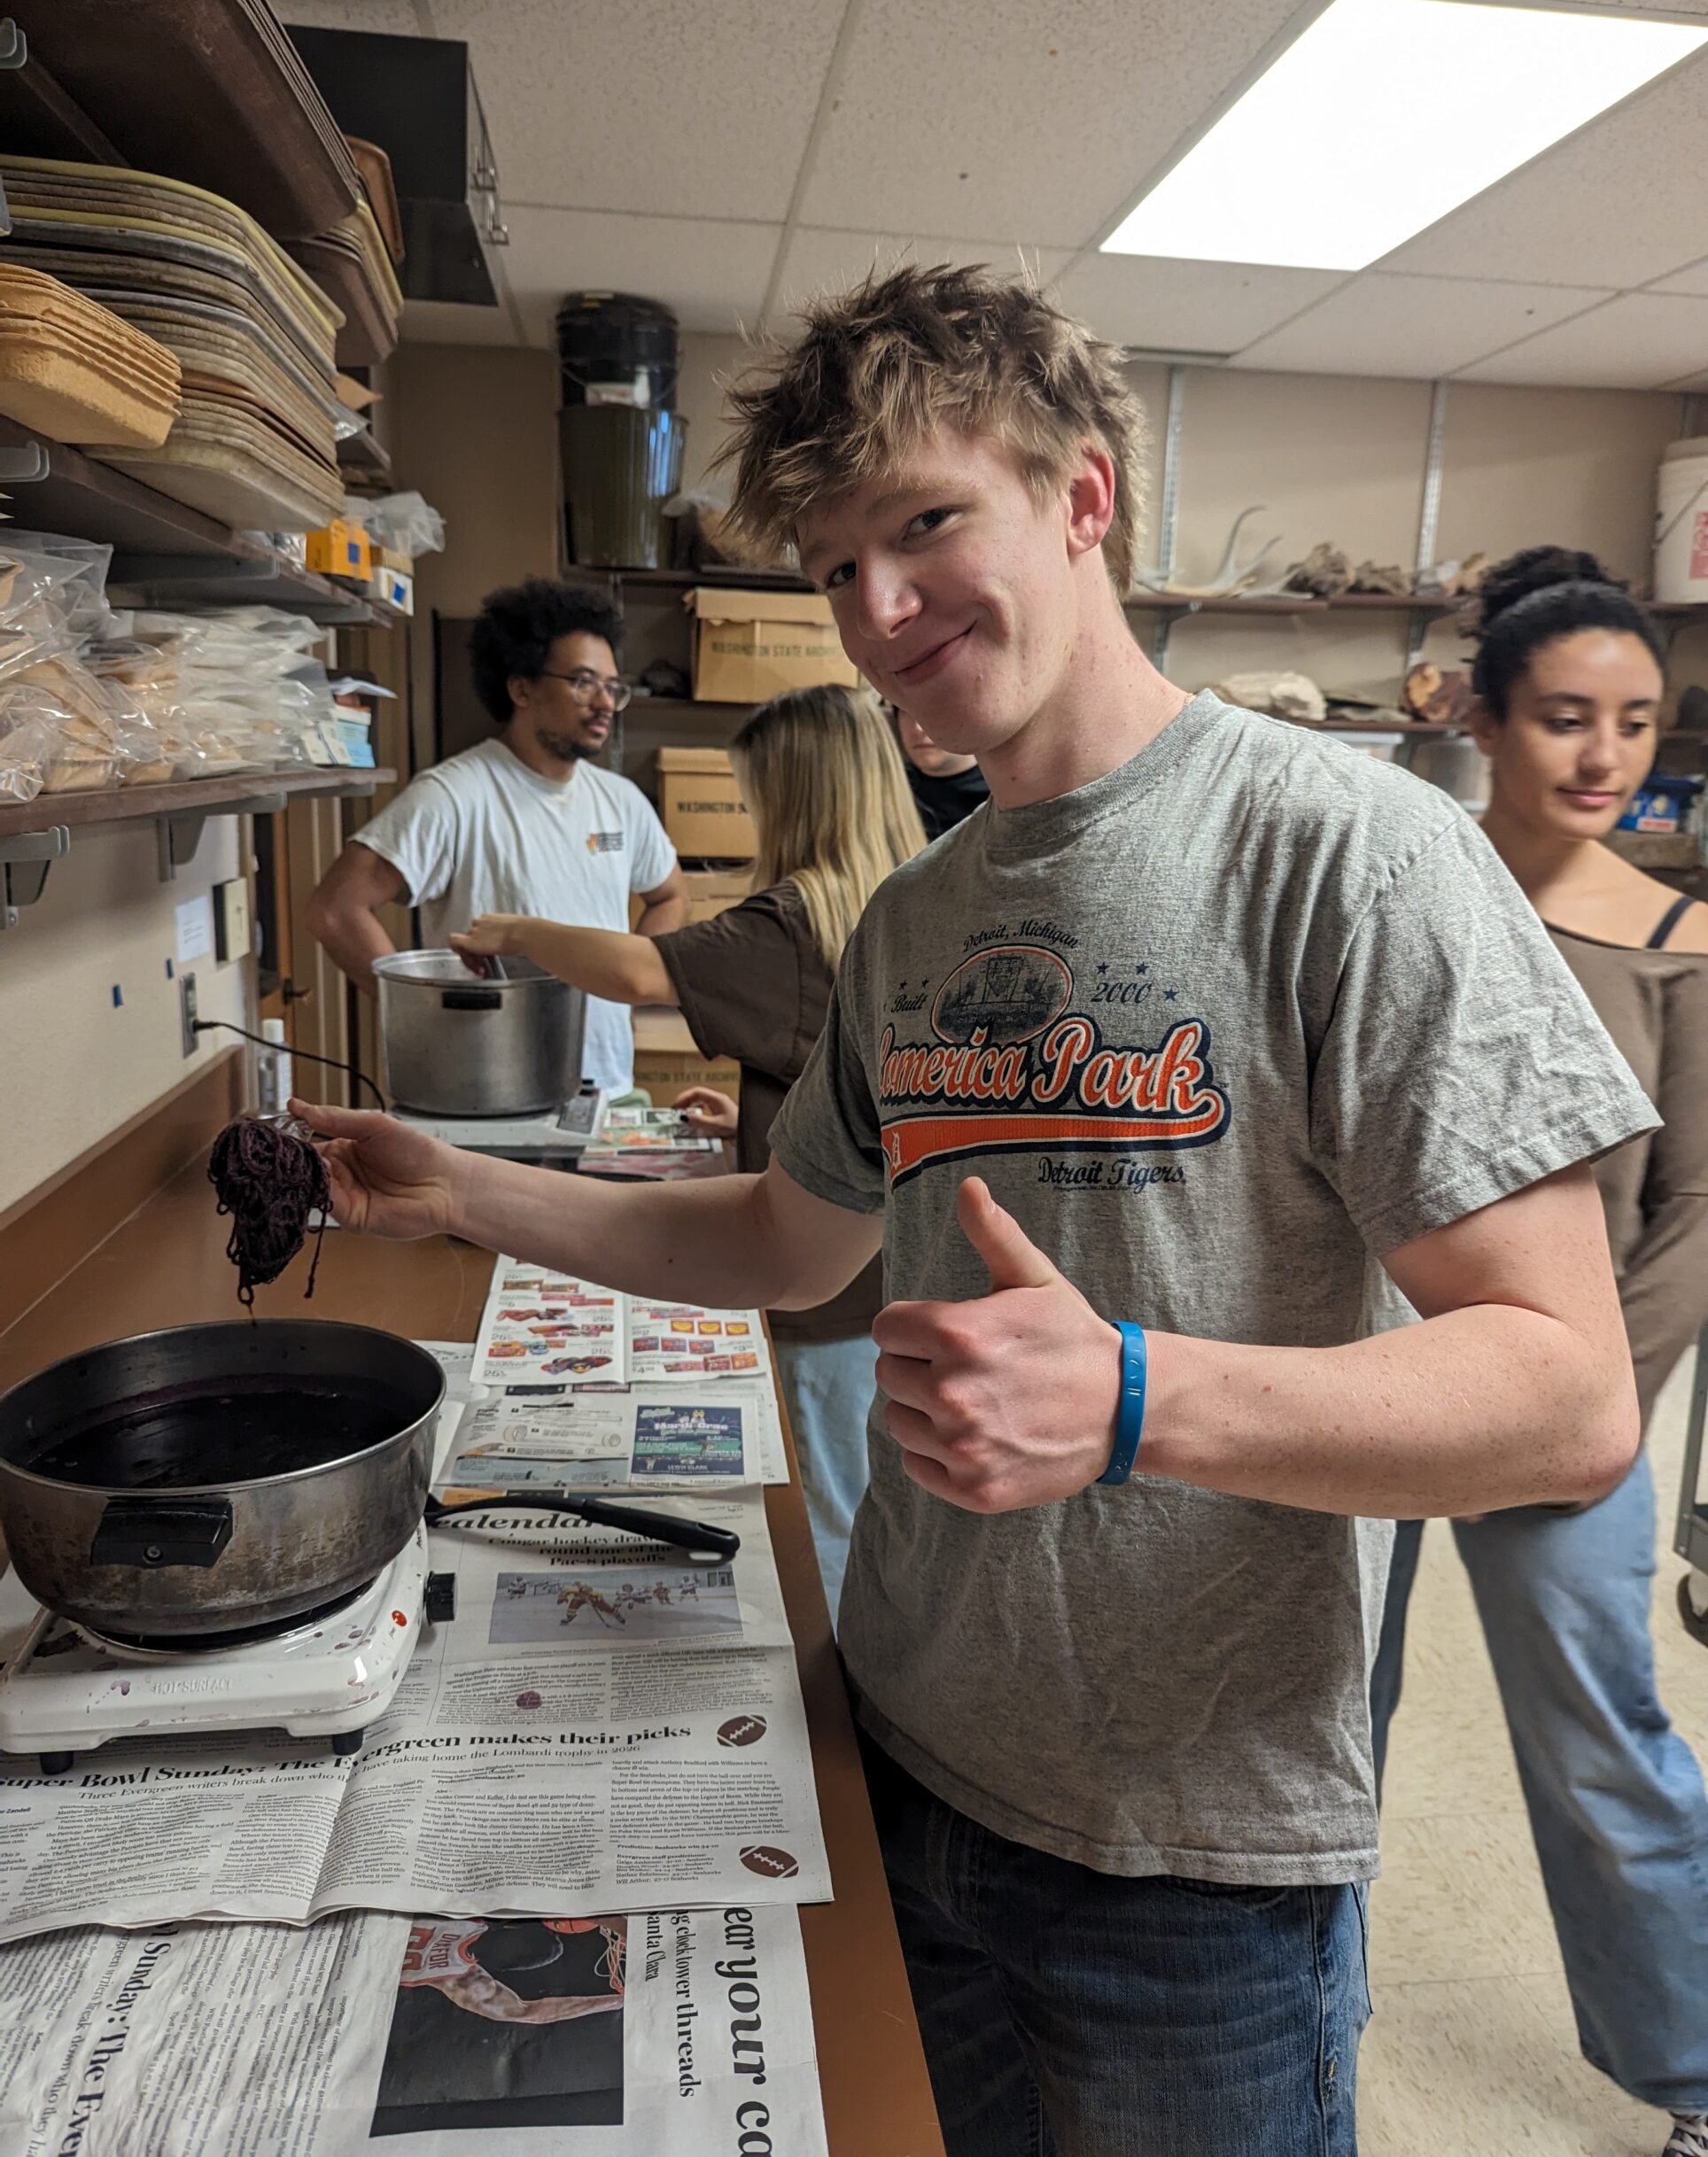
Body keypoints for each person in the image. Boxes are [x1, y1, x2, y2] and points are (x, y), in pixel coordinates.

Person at [296, 266, 1653, 2157]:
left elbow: (1566, 1397)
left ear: (1082, 498)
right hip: (900, 1751)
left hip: (1192, 1851)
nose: (877, 612)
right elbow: (787, 1238)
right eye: (836, 566)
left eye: (924, 525)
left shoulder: (1350, 853)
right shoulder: (918, 918)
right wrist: (463, 1190)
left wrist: (1128, 1399)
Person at [1369, 547, 1708, 2157]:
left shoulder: (1677, 937)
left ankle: (1697, 2072)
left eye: (1634, 723)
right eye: (1565, 718)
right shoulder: (1400, 893)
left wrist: (1589, 1402)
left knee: (1600, 1743)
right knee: (1310, 1721)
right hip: (1359, 1383)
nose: (1602, 757)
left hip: (1567, 1414)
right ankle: (1293, 2006)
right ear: (1481, 721)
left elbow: (1695, 1206)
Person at [446, 683, 925, 1618]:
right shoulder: (907, 901)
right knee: (868, 1498)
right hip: (895, 1270)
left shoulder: (794, 919)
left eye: (758, 801)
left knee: (820, 1517)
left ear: (796, 799)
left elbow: (633, 970)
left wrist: (511, 930)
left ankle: (828, 1715)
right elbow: (847, 1087)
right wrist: (758, 1126)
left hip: (827, 1301)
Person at [306, 578, 685, 1090]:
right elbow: (334, 908)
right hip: (484, 1090)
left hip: (603, 1086)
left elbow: (670, 894)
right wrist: (428, 1011)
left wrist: (632, 981)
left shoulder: (621, 801)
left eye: (613, 688)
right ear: (522, 687)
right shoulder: (455, 794)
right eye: (583, 682)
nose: (603, 703)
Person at [892, 704, 989, 838]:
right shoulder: (888, 791)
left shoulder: (1002, 795)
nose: (918, 728)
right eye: (907, 711)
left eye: (938, 709)